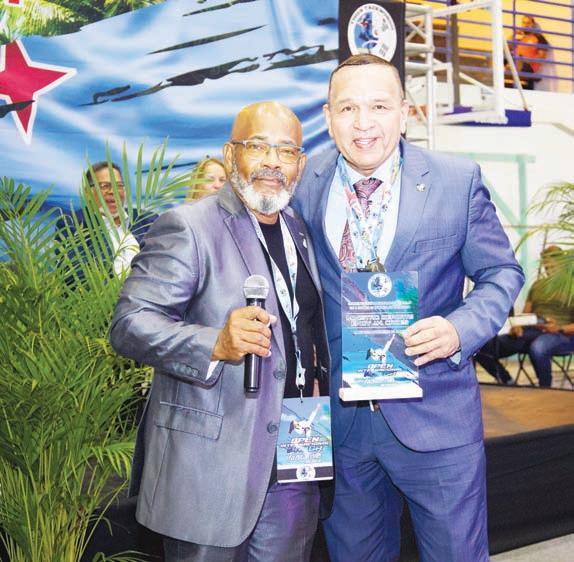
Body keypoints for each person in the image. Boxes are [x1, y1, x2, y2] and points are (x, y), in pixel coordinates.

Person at [292, 54, 525, 562]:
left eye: (379, 106)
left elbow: (502, 274)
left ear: (404, 112)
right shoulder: (304, 186)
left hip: (436, 415)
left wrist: (458, 329)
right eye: (348, 108)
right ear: (328, 117)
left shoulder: (456, 181)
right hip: (343, 426)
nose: (363, 123)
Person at [109, 101, 330, 562]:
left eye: (286, 151)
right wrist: (215, 343)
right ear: (231, 156)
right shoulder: (189, 226)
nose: (273, 162)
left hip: (294, 455)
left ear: (301, 163)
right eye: (258, 146)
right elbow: (130, 324)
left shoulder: (300, 230)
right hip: (210, 467)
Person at [476, 245, 574, 387]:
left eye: (552, 264)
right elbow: (526, 314)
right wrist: (518, 326)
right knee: (481, 348)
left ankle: (545, 388)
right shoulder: (537, 286)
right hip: (533, 331)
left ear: (562, 263)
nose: (548, 267)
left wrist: (559, 328)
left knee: (538, 347)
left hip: (562, 335)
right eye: (546, 264)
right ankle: (507, 381)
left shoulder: (571, 287)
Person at [56, 161, 157, 280]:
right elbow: (75, 276)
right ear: (88, 193)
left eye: (119, 186)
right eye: (105, 186)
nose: (113, 191)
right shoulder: (73, 224)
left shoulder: (147, 220)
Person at [511, 15, 549, 90]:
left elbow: (542, 56)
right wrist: (513, 36)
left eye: (528, 23)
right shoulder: (519, 37)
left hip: (528, 68)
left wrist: (527, 60)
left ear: (533, 25)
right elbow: (508, 48)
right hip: (515, 67)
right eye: (524, 23)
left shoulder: (538, 37)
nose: (526, 25)